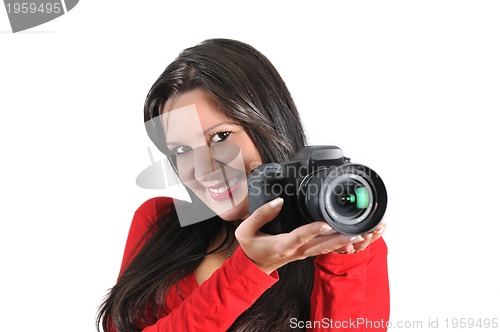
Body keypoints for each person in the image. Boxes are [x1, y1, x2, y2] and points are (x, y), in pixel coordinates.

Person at [97, 39, 389, 332]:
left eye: (220, 137)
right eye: (182, 151)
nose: (203, 169)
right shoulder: (159, 221)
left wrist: (341, 264)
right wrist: (248, 268)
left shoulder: (342, 247)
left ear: (269, 124)